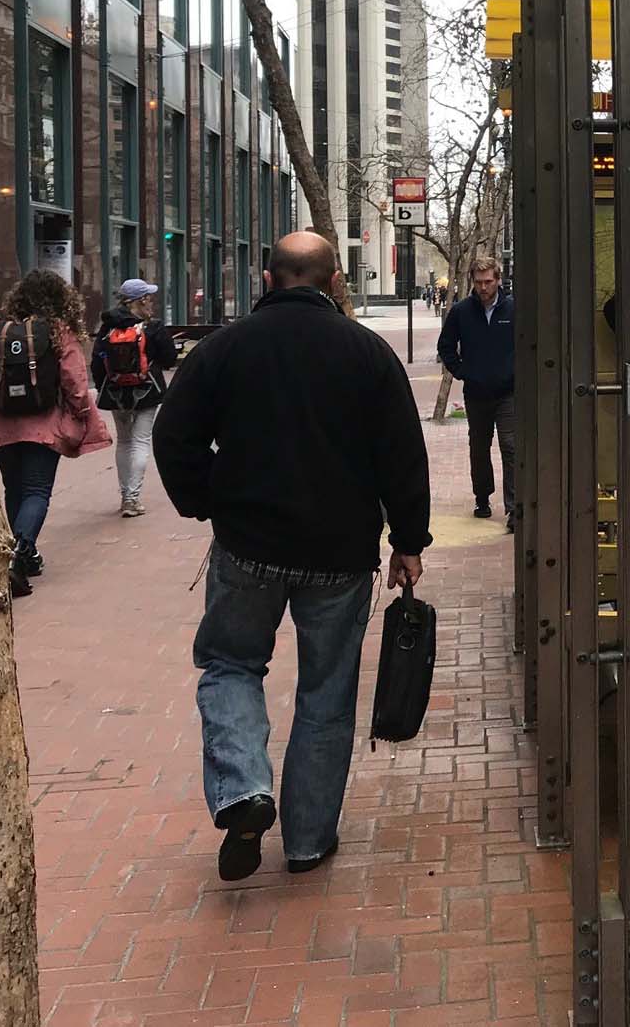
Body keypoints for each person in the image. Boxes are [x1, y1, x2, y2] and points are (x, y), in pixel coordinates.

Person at [154, 232, 431, 880]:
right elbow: (402, 455)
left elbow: (173, 433)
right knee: (326, 694)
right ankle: (307, 841)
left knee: (229, 663)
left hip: (248, 546)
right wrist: (408, 542)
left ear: (269, 276)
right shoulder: (368, 354)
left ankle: (245, 788)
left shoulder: (224, 348)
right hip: (340, 554)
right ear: (335, 280)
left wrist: (206, 499)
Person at [0, 269, 112, 595]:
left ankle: (21, 555)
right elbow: (76, 383)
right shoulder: (58, 332)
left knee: (15, 490)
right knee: (37, 491)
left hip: (0, 425)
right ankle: (18, 556)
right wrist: (82, 415)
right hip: (44, 424)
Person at [437, 255, 516, 528]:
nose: (483, 287)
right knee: (479, 447)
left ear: (498, 280)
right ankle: (482, 497)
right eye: (479, 282)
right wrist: (462, 371)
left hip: (508, 392)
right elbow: (445, 346)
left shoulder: (513, 309)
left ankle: (514, 508)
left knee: (510, 445)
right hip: (477, 392)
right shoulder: (461, 311)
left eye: (488, 282)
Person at [91, 277, 179, 517]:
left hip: (116, 392)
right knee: (140, 442)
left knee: (124, 442)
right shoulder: (153, 327)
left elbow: (97, 361)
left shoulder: (107, 326)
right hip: (147, 391)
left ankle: (124, 496)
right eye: (149, 299)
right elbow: (170, 357)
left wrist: (103, 387)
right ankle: (133, 498)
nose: (152, 303)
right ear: (139, 301)